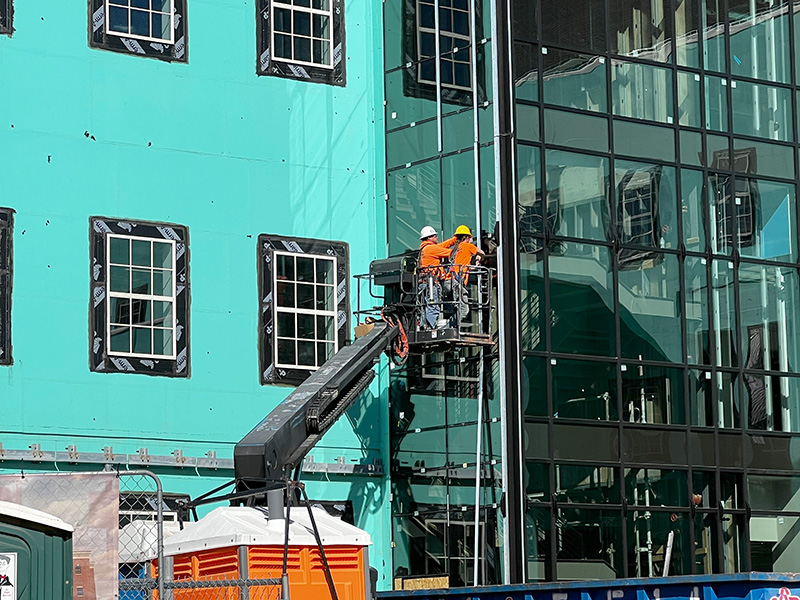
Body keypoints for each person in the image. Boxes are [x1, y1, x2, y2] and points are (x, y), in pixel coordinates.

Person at [443, 225, 485, 326]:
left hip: (448, 281)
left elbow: (462, 266)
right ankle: (449, 326)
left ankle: (451, 326)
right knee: (464, 310)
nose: (472, 240)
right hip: (456, 283)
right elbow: (482, 253)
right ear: (466, 237)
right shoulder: (468, 246)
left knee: (456, 308)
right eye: (470, 237)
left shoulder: (454, 249)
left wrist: (473, 266)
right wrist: (479, 258)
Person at [417, 225, 457, 329]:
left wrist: (455, 239)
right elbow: (451, 253)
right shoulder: (431, 249)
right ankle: (430, 329)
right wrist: (463, 248)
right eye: (435, 236)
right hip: (431, 284)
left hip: (425, 283)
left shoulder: (426, 248)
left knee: (426, 307)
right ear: (429, 237)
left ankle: (424, 328)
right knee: (433, 307)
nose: (437, 237)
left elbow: (443, 245)